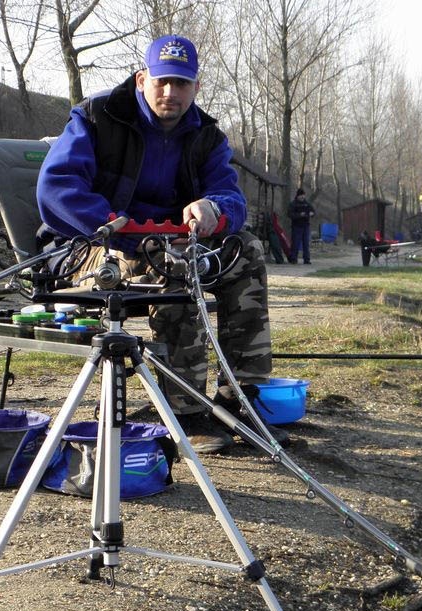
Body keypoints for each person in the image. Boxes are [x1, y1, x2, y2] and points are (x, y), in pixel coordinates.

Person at [35, 34, 286, 453]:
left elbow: (232, 198)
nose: (171, 93)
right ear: (141, 80)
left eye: (182, 84)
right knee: (173, 260)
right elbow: (55, 190)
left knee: (246, 251)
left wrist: (213, 208)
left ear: (196, 87)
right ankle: (185, 410)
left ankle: (242, 398)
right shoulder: (97, 116)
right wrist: (123, 227)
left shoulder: (207, 135)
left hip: (170, 245)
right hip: (90, 247)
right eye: (162, 81)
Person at [287, 188, 315, 264]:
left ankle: (307, 259)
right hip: (296, 226)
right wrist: (299, 215)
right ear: (298, 196)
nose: (302, 197)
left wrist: (311, 214)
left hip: (306, 226)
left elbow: (313, 211)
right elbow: (290, 214)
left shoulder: (307, 204)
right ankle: (293, 259)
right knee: (295, 243)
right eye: (301, 196)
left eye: (303, 196)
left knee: (306, 243)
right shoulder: (293, 204)